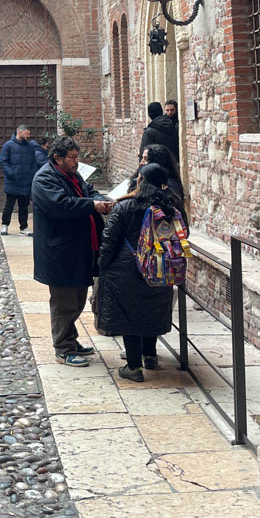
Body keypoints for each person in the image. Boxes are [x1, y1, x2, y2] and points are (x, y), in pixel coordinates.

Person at [32, 136, 113, 367]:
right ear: (58, 158)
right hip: (60, 251)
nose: (76, 161)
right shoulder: (45, 178)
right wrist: (91, 205)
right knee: (64, 302)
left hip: (77, 248)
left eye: (77, 157)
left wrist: (100, 199)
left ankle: (70, 339)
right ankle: (63, 348)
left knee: (77, 299)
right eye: (73, 157)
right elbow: (60, 205)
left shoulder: (71, 174)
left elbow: (87, 190)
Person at [98, 163, 183, 381]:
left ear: (141, 181)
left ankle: (133, 368)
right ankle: (150, 356)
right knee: (151, 310)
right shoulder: (172, 207)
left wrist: (102, 264)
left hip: (127, 269)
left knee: (130, 315)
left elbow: (110, 239)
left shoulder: (126, 206)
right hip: (161, 267)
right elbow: (183, 234)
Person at [0, 125, 47, 236]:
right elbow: (3, 162)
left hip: (26, 181)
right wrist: (11, 173)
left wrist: (32, 175)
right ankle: (4, 225)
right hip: (13, 181)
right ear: (19, 132)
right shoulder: (8, 145)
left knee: (24, 206)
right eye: (26, 133)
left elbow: (34, 163)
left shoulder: (30, 147)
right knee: (9, 205)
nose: (28, 136)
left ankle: (24, 227)